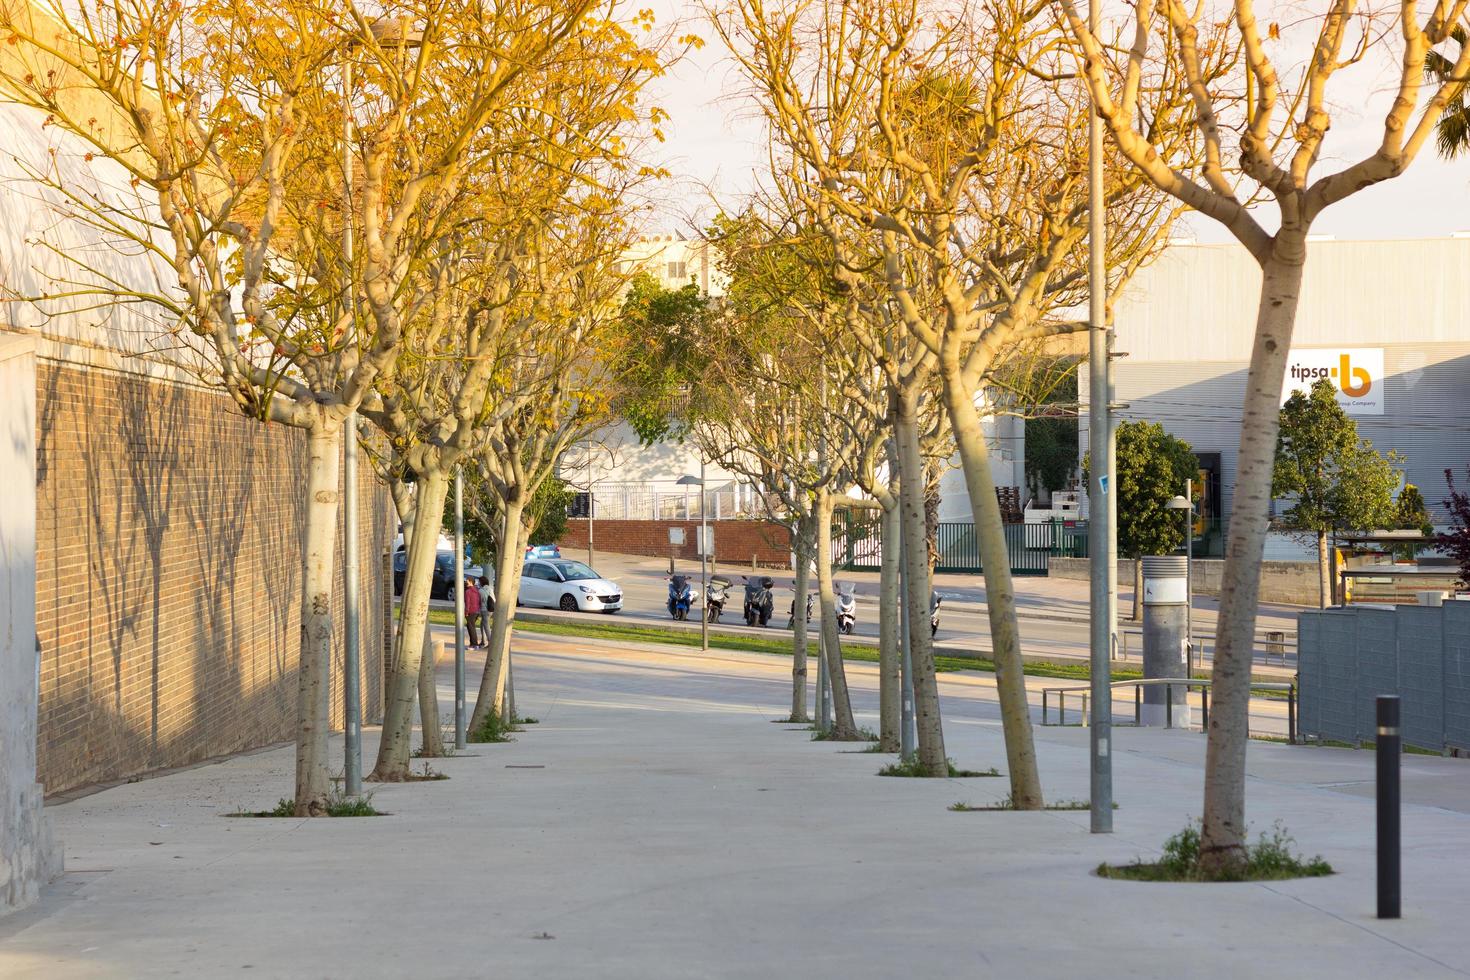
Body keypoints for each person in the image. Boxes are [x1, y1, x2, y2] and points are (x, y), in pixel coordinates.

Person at [463, 576, 483, 648]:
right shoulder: (477, 591)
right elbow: (479, 602)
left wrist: (466, 612)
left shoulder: (468, 591)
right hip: (476, 611)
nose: (466, 582)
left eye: (467, 581)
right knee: (470, 626)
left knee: (471, 627)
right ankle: (472, 643)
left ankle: (474, 644)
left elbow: (467, 603)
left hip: (471, 611)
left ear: (470, 581)